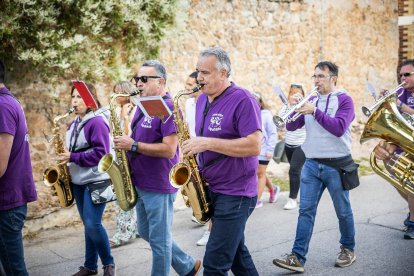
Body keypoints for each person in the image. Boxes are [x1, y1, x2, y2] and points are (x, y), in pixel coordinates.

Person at [113, 60, 201, 276]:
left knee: (160, 243)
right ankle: (186, 266)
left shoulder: (169, 108)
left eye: (144, 79)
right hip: (141, 180)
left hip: (158, 184)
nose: (138, 83)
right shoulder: (144, 105)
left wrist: (132, 145)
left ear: (160, 82)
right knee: (145, 231)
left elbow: (169, 150)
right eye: (137, 79)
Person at [181, 47, 261, 275]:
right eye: (198, 72)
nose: (199, 78)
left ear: (223, 73)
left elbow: (254, 145)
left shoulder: (243, 99)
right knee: (237, 257)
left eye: (205, 73)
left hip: (236, 193)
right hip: (211, 188)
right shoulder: (202, 101)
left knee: (214, 265)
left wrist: (207, 143)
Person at [273, 61, 357, 273]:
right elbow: (292, 126)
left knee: (343, 212)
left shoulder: (345, 100)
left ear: (333, 79)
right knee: (305, 212)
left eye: (321, 76)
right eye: (315, 76)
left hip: (337, 165)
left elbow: (338, 128)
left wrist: (315, 111)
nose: (317, 80)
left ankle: (348, 249)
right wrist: (290, 108)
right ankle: (297, 257)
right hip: (311, 164)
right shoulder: (311, 100)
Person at [57, 82, 115, 276]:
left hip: (96, 180)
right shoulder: (73, 124)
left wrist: (72, 157)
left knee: (92, 224)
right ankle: (90, 266)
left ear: (90, 100)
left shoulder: (96, 122)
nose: (75, 101)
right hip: (79, 181)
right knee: (88, 225)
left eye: (79, 97)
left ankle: (108, 263)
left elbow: (102, 154)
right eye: (73, 97)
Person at [0, 60, 37, 276]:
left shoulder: (3, 107)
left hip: (6, 205)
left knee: (15, 271)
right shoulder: (9, 102)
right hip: (9, 202)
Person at [373, 59, 414, 239]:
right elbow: (392, 119)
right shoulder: (401, 93)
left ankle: (412, 220)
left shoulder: (403, 98)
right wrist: (386, 103)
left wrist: (400, 105)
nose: (402, 78)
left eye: (407, 74)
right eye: (400, 75)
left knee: (411, 177)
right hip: (404, 141)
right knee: (391, 169)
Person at [109, 81, 138, 248]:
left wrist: (125, 118)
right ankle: (136, 228)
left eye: (118, 91)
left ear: (126, 93)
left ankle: (124, 233)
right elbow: (114, 134)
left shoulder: (133, 112)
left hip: (129, 159)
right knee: (126, 196)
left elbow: (129, 136)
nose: (115, 94)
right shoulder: (119, 111)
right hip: (120, 157)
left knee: (125, 197)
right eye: (114, 91)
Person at [281, 84, 307, 210]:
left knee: (294, 170)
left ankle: (292, 199)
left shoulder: (305, 108)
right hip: (288, 145)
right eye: (292, 93)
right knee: (299, 172)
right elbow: (280, 122)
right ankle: (305, 195)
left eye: (298, 93)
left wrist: (299, 106)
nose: (295, 96)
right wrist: (288, 106)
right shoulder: (285, 108)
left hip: (301, 145)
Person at [252, 92, 279, 208]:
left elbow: (273, 133)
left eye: (255, 100)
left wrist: (270, 150)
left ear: (260, 102)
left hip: (264, 151)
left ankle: (257, 200)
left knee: (260, 173)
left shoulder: (266, 115)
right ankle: (273, 189)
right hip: (253, 150)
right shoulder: (250, 113)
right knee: (259, 172)